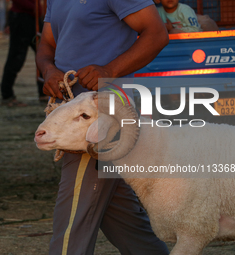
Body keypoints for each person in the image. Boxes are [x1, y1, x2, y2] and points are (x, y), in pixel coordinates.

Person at [36, 0, 170, 254]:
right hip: (72, 117)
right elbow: (46, 44)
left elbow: (157, 33)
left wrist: (109, 70)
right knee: (124, 221)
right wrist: (49, 69)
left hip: (101, 120)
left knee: (72, 223)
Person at [0, 0, 46, 106]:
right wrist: (34, 8)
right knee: (16, 58)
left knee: (44, 55)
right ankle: (7, 95)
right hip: (22, 18)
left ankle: (43, 92)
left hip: (33, 17)